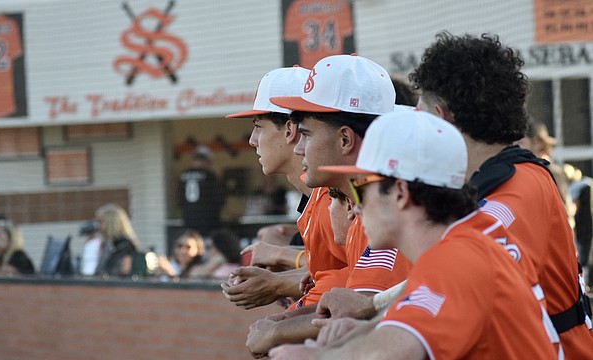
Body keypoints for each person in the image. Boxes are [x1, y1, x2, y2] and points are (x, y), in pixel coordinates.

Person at [270, 110, 557, 360]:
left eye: (359, 187)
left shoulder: (458, 258)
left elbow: (397, 350)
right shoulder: (466, 240)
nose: (354, 207)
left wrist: (315, 356)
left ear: (400, 193)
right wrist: (371, 327)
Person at [411, 32, 592, 356]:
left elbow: (462, 273)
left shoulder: (516, 189)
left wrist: (372, 306)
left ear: (440, 117)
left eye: (419, 111)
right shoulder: (506, 178)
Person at [241, 54, 410, 356]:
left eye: (305, 133)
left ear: (345, 139)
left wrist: (282, 328)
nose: (299, 147)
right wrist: (292, 313)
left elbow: (369, 311)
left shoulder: (388, 211)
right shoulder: (365, 201)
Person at [223, 66, 348, 312]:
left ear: (290, 130)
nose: (252, 140)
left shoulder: (331, 197)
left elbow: (361, 281)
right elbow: (332, 274)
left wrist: (280, 282)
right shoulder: (314, 197)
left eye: (258, 126)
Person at [177, 145, 227, 237]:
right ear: (207, 161)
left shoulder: (183, 175)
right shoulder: (211, 176)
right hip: (209, 225)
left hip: (189, 223)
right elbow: (220, 199)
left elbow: (179, 200)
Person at [93, 203, 143, 277]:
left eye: (101, 222)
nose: (98, 226)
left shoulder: (126, 245)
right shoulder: (108, 244)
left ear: (110, 223)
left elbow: (124, 272)